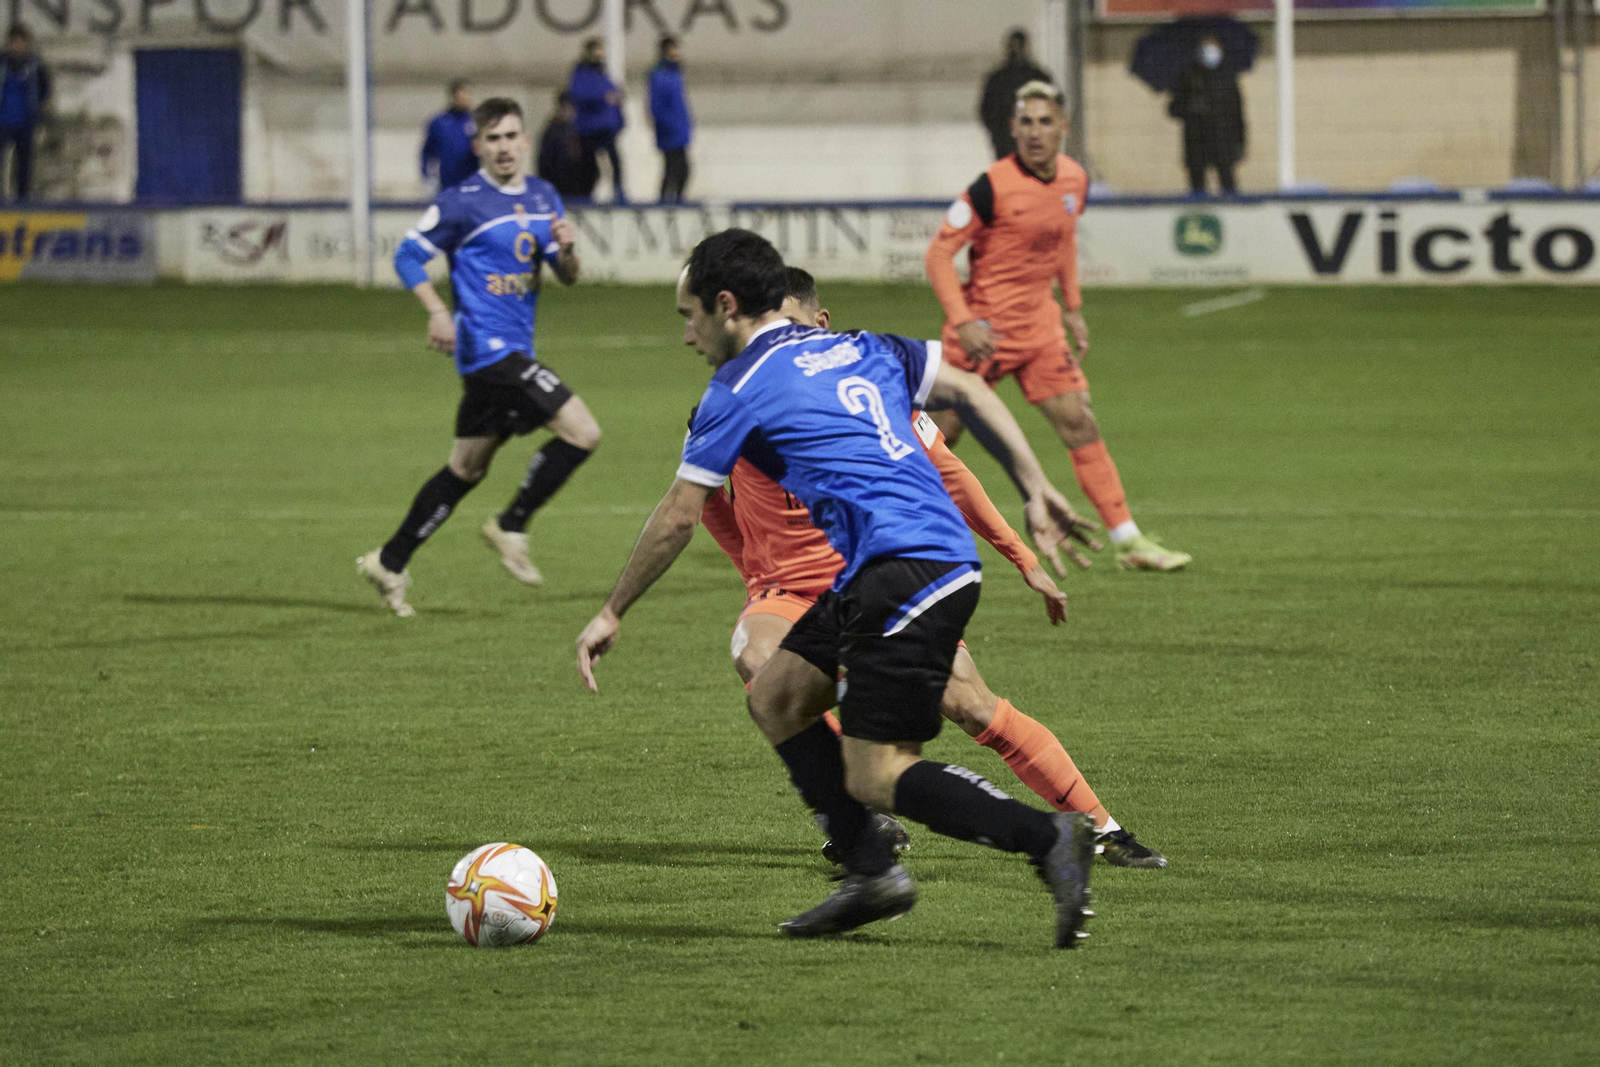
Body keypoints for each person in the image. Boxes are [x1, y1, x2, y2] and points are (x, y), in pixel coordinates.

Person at [577, 229, 1100, 947]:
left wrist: (611, 610)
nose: (689, 334)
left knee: (878, 770)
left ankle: (1049, 838)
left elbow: (678, 516)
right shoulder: (861, 346)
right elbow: (970, 384)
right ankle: (871, 873)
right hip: (890, 566)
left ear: (726, 305)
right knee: (778, 697)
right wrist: (1036, 487)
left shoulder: (736, 388)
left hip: (910, 568)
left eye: (689, 314)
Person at [701, 268, 1166, 868]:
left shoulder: (869, 388)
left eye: (788, 326)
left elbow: (955, 478)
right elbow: (704, 501)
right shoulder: (738, 394)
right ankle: (859, 816)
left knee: (972, 705)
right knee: (757, 658)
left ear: (820, 324)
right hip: (788, 592)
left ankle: (1102, 830)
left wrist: (1023, 558)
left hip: (878, 583)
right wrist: (753, 571)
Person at [927, 81, 1192, 572]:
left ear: (1063, 129)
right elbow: (939, 254)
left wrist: (1071, 306)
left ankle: (1128, 540)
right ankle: (867, 527)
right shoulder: (990, 186)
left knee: (1079, 421)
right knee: (932, 436)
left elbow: (1063, 239)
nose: (1034, 132)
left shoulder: (1074, 179)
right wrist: (962, 322)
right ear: (1012, 129)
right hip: (982, 335)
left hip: (1040, 331)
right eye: (1025, 122)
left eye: (1045, 122)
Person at [358, 97, 600, 616]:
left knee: (465, 470)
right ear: (478, 147)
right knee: (583, 432)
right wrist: (437, 311)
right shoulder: (461, 201)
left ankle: (391, 560)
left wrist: (569, 247)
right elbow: (407, 255)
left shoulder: (543, 195)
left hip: (512, 352)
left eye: (512, 136)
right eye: (493, 139)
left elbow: (569, 275)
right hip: (487, 350)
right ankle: (512, 525)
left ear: (525, 140)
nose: (504, 147)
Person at [1168, 35, 1244, 195]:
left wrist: (1240, 143)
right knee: (1198, 185)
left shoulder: (1227, 79)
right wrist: (1190, 105)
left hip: (1222, 141)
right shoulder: (1190, 76)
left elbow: (1237, 114)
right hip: (1197, 141)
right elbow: (1173, 109)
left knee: (1227, 182)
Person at [568, 37, 626, 203]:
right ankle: (586, 195)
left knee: (614, 161)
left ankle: (618, 192)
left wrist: (620, 121)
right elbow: (579, 94)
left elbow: (615, 99)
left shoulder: (603, 73)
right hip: (588, 128)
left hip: (605, 127)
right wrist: (602, 98)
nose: (599, 55)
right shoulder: (580, 73)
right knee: (590, 166)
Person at [977, 28, 1050, 161]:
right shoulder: (997, 79)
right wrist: (998, 134)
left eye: (1019, 46)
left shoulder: (1039, 77)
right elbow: (986, 110)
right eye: (1013, 46)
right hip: (1005, 141)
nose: (1016, 51)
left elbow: (1052, 108)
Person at [0, 23, 50, 203]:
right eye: (15, 42)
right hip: (3, 121)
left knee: (23, 165)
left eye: (22, 42)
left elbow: (45, 91)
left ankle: (22, 201)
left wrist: (40, 113)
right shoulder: (2, 63)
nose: (18, 45)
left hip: (25, 122)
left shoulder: (36, 65)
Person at [648, 36, 693, 203]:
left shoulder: (676, 73)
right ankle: (666, 202)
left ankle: (676, 200)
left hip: (679, 129)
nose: (677, 52)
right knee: (673, 169)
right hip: (669, 131)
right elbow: (656, 105)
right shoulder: (659, 75)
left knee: (683, 170)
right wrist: (666, 125)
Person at [421, 80, 477, 193]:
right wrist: (428, 177)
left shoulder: (476, 121)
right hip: (447, 184)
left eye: (467, 94)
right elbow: (428, 152)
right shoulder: (439, 122)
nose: (464, 98)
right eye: (461, 95)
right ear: (453, 97)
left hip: (471, 183)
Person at [536, 91, 586, 198]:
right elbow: (544, 162)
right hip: (559, 191)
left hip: (579, 192)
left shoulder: (581, 131)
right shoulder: (553, 131)